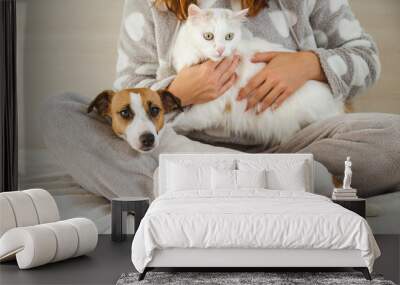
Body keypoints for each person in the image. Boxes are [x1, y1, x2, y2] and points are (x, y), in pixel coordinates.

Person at [42, 0, 400, 200]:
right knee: (59, 115)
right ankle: (283, 187)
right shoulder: (148, 5)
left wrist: (309, 64)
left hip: (293, 145)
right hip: (181, 147)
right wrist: (180, 92)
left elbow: (367, 58)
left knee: (395, 138)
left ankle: (208, 191)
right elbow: (127, 95)